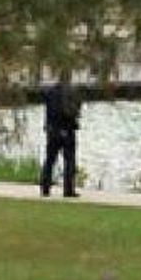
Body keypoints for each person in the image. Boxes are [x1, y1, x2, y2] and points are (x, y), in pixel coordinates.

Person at [40, 70, 82, 198]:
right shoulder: (71, 92)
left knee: (50, 159)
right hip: (66, 129)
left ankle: (45, 187)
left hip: (52, 130)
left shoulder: (50, 92)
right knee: (69, 160)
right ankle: (68, 189)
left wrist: (48, 126)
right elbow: (71, 111)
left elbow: (48, 112)